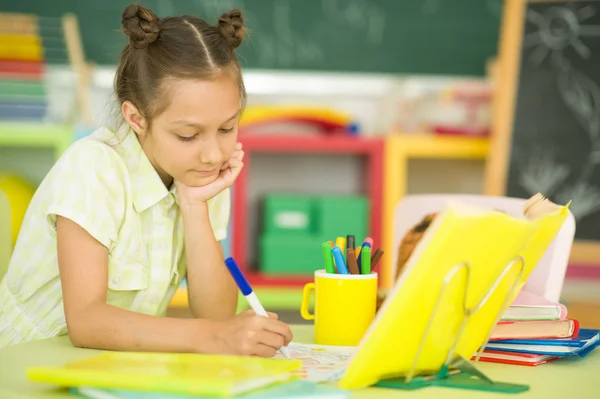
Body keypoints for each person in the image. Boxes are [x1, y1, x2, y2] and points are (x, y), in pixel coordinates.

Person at [0, 4, 293, 357]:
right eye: (188, 135)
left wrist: (195, 206)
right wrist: (213, 337)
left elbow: (216, 315)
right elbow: (86, 322)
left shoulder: (199, 174)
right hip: (24, 363)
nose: (213, 154)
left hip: (110, 369)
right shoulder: (93, 168)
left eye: (227, 128)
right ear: (137, 118)